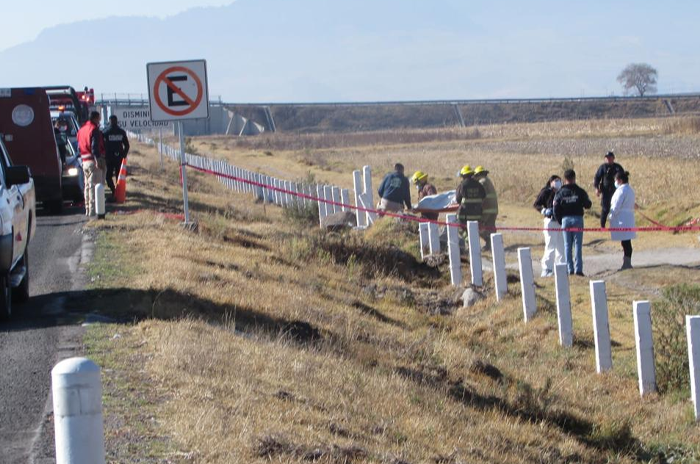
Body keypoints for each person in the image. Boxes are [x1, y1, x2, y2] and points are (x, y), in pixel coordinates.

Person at [553, 169, 592, 276]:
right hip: (578, 219)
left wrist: (560, 220)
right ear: (574, 178)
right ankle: (578, 269)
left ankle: (570, 269)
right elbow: (588, 204)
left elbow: (555, 208)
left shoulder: (560, 192)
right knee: (577, 245)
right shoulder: (580, 191)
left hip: (565, 219)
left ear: (565, 180)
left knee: (567, 245)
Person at [534, 175, 564, 277]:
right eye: (555, 181)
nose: (557, 182)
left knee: (561, 246)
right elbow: (536, 204)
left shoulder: (563, 191)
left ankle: (561, 267)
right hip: (550, 221)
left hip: (561, 222)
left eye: (559, 180)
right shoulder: (546, 192)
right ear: (550, 182)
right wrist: (544, 211)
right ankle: (547, 268)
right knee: (551, 245)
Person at [77, 111, 105, 217]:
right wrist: (97, 159)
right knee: (95, 186)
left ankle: (87, 209)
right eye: (99, 118)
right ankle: (94, 211)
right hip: (93, 161)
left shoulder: (81, 130)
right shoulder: (94, 129)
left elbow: (79, 146)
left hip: (84, 162)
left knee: (87, 186)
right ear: (95, 118)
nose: (99, 121)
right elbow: (94, 146)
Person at [608, 171, 636, 270]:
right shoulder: (630, 190)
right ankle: (626, 262)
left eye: (615, 180)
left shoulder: (621, 191)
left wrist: (611, 216)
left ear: (619, 180)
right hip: (627, 217)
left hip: (622, 218)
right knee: (626, 241)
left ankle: (627, 263)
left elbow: (616, 205)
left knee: (626, 242)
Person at [593, 151, 625, 228]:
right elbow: (597, 178)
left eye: (610, 158)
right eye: (607, 158)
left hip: (616, 191)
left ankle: (617, 226)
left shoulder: (618, 167)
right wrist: (596, 188)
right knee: (605, 209)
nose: (608, 159)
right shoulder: (602, 167)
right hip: (606, 191)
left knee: (617, 208)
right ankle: (602, 226)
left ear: (613, 158)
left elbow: (624, 178)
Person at [455, 165, 486, 241]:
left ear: (463, 175)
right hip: (477, 214)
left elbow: (458, 199)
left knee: (458, 226)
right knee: (475, 230)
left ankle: (468, 240)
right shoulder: (479, 185)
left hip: (465, 215)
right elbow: (484, 195)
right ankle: (473, 241)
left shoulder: (462, 185)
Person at [102, 115, 130, 199]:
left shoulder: (105, 132)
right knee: (119, 176)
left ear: (110, 121)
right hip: (119, 157)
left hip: (109, 158)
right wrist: (123, 155)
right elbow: (127, 145)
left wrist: (104, 154)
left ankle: (114, 191)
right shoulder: (121, 132)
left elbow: (101, 144)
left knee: (108, 176)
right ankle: (118, 192)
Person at [473, 166, 498, 251]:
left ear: (478, 174)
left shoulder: (481, 182)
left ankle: (489, 242)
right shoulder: (488, 180)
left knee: (479, 227)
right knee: (491, 227)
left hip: (487, 210)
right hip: (494, 209)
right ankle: (493, 245)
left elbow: (480, 197)